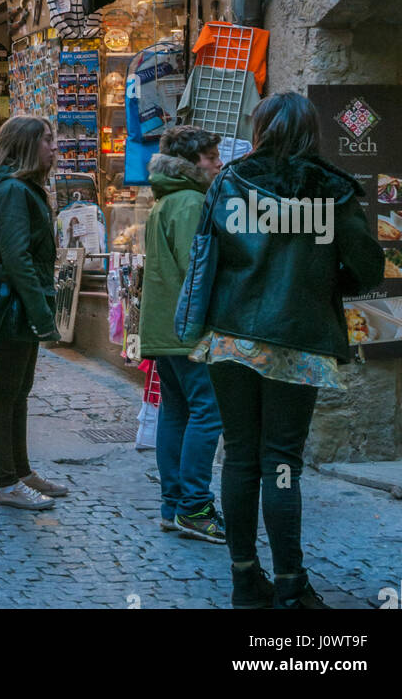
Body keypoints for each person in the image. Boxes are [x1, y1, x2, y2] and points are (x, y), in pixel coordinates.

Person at [176, 92, 385, 610]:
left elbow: (206, 257)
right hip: (299, 339)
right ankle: (291, 582)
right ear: (312, 131)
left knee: (242, 456)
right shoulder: (332, 190)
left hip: (230, 337)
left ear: (261, 128)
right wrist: (320, 281)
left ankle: (245, 579)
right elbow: (369, 269)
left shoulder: (228, 182)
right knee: (283, 462)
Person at [0, 115, 64, 512]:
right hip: (14, 300)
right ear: (26, 146)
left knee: (18, 390)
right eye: (48, 141)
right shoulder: (11, 192)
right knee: (4, 391)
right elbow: (16, 256)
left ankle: (21, 473)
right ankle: (6, 482)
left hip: (20, 297)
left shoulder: (15, 188)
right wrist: (42, 314)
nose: (55, 148)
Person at [139, 125, 225, 543]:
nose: (218, 163)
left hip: (163, 327)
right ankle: (195, 506)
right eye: (211, 157)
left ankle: (173, 505)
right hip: (188, 330)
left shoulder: (166, 201)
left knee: (176, 412)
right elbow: (199, 270)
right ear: (191, 163)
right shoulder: (191, 202)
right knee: (208, 413)